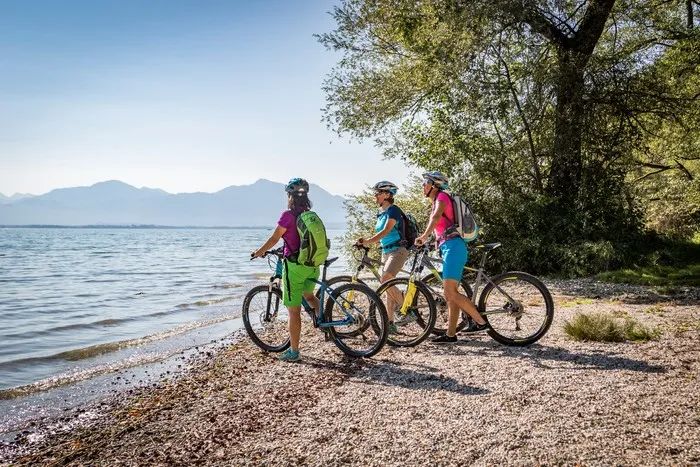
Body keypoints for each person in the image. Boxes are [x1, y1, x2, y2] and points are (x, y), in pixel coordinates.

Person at [414, 171, 489, 343]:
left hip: (454, 248)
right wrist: (429, 241)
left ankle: (480, 322)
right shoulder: (436, 201)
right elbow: (440, 228)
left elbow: (435, 218)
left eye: (425, 182)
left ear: (434, 185)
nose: (422, 186)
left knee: (449, 292)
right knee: (451, 294)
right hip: (448, 247)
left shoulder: (442, 197)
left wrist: (423, 236)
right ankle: (450, 334)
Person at [251, 178, 321, 362]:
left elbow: (275, 238)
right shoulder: (309, 214)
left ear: (290, 196)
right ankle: (325, 324)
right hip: (312, 265)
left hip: (295, 268)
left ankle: (294, 351)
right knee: (310, 296)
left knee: (293, 311)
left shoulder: (287, 216)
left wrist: (260, 251)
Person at [356, 181, 410, 333]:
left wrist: (369, 241)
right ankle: (390, 323)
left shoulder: (393, 210)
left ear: (387, 195)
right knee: (387, 287)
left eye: (378, 193)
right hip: (386, 251)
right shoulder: (381, 213)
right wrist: (365, 243)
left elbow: (387, 230)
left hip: (398, 250)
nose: (375, 196)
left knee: (385, 279)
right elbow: (381, 235)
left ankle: (407, 310)